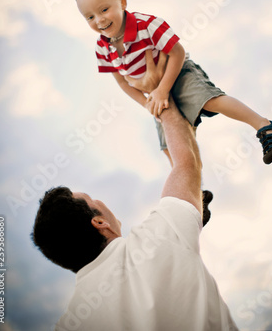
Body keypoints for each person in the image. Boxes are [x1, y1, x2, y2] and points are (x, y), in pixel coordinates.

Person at [31, 58, 239, 331]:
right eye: (93, 200)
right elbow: (185, 163)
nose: (102, 204)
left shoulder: (70, 325)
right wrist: (158, 94)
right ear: (99, 222)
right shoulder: (159, 235)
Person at [75, 0, 272, 165]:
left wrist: (163, 89)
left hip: (177, 74)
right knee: (168, 145)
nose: (100, 20)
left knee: (210, 101)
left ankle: (265, 126)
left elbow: (177, 52)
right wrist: (147, 103)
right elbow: (121, 82)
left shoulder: (147, 25)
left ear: (122, 2)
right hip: (155, 93)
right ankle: (196, 192)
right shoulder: (102, 47)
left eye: (104, 9)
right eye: (90, 17)